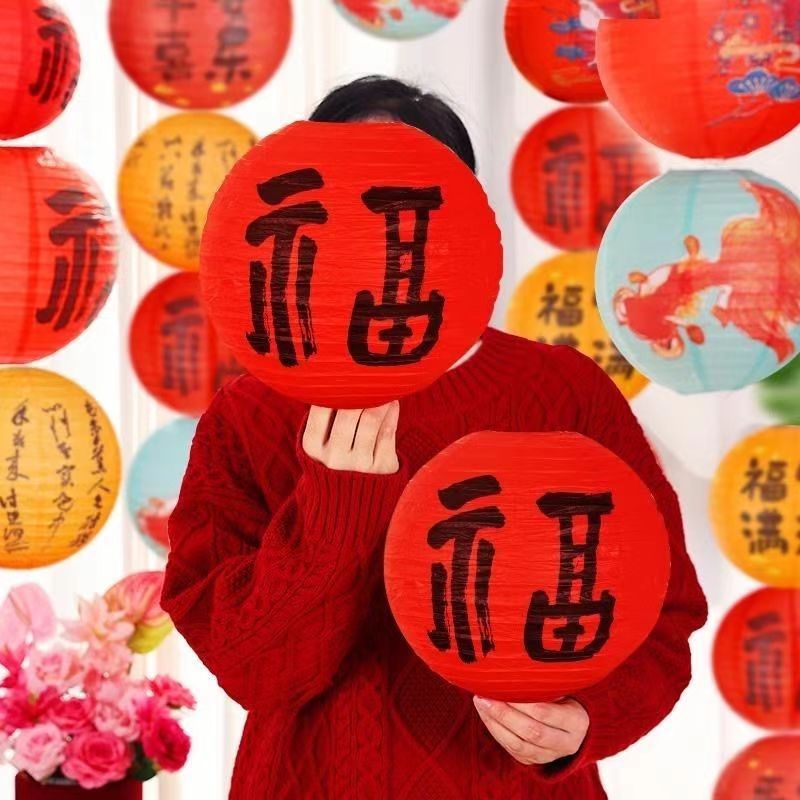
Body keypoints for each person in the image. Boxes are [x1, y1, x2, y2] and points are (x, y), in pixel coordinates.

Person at [162, 76, 708, 800]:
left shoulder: (562, 393)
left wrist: (585, 720)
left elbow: (663, 614)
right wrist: (336, 508)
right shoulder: (251, 413)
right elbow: (253, 670)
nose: (376, 228)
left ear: (464, 219)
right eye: (346, 194)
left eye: (404, 200)